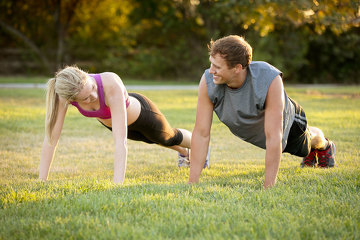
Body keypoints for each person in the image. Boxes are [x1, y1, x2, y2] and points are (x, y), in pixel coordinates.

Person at [188, 35, 336, 188]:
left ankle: (326, 146)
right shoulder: (208, 81)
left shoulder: (269, 78)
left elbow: (274, 135)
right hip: (261, 131)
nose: (211, 71)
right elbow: (201, 133)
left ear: (238, 68)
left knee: (307, 144)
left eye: (217, 67)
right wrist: (192, 184)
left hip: (290, 123)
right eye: (211, 64)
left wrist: (268, 187)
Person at [39, 66, 208, 184]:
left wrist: (117, 184)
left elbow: (120, 143)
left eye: (92, 87)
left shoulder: (110, 83)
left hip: (143, 115)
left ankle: (201, 149)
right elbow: (52, 138)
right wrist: (42, 180)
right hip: (116, 124)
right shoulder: (63, 95)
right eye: (86, 98)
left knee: (169, 137)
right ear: (71, 99)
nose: (94, 95)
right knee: (153, 140)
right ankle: (186, 153)